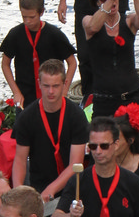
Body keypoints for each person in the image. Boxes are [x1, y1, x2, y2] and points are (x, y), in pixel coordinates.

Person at [10, 59, 90, 201]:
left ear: (65, 84)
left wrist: (51, 190)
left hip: (72, 187)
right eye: (46, 86)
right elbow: (20, 160)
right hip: (39, 187)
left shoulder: (76, 115)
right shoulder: (26, 117)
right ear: (39, 83)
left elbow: (75, 163)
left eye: (55, 86)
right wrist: (18, 192)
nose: (51, 91)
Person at [81, 0, 139, 116]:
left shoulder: (128, 21)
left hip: (133, 97)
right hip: (104, 101)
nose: (112, 1)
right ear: (97, 1)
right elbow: (93, 27)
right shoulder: (88, 21)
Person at [0, 0, 76, 109]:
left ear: (41, 12)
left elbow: (72, 63)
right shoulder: (15, 34)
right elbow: (5, 64)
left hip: (52, 95)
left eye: (32, 17)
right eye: (24, 17)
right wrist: (16, 92)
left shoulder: (54, 35)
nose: (27, 21)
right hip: (25, 96)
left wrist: (64, 91)